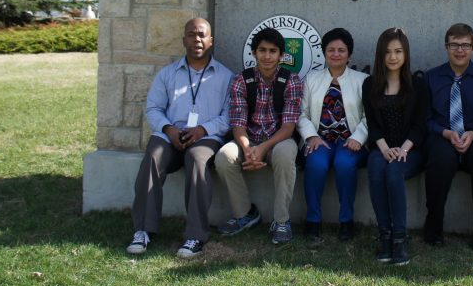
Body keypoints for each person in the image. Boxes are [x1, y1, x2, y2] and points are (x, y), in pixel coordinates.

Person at [126, 18, 233, 258]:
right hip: (170, 136)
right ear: (184, 39)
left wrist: (202, 130)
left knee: (197, 159)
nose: (197, 39)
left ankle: (195, 236)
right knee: (153, 157)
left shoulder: (226, 76)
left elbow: (230, 115)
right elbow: (153, 109)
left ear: (211, 41)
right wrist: (168, 129)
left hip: (206, 137)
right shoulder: (167, 74)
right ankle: (143, 230)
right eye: (192, 34)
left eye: (202, 35)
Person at [215, 28, 305, 245]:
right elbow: (238, 123)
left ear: (281, 55)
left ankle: (281, 221)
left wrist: (263, 148)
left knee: (285, 155)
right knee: (224, 157)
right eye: (262, 50)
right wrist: (247, 149)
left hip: (279, 140)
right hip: (248, 139)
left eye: (273, 51)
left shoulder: (291, 80)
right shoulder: (241, 80)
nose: (267, 56)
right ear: (254, 53)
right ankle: (245, 214)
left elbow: (289, 127)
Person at [423, 23, 473, 249]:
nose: (459, 50)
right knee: (441, 159)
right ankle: (434, 227)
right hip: (442, 135)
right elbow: (424, 119)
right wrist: (444, 132)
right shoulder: (431, 78)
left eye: (465, 45)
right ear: (446, 47)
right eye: (454, 45)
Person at [363, 28, 428, 265]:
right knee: (377, 168)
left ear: (405, 54)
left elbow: (420, 125)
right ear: (381, 55)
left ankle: (400, 238)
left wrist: (404, 149)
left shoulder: (418, 85)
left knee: (393, 172)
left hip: (411, 149)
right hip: (381, 147)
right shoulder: (370, 84)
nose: (393, 57)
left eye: (398, 51)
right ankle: (385, 235)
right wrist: (384, 148)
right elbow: (371, 123)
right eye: (388, 52)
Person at [297, 28, 369, 243]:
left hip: (351, 142)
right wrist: (311, 137)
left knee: (345, 165)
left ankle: (346, 221)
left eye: (341, 50)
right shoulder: (311, 79)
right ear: (324, 53)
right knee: (316, 165)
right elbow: (301, 113)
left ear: (349, 54)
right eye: (331, 50)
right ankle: (313, 221)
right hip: (320, 141)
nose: (336, 54)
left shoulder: (363, 80)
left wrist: (358, 137)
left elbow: (370, 116)